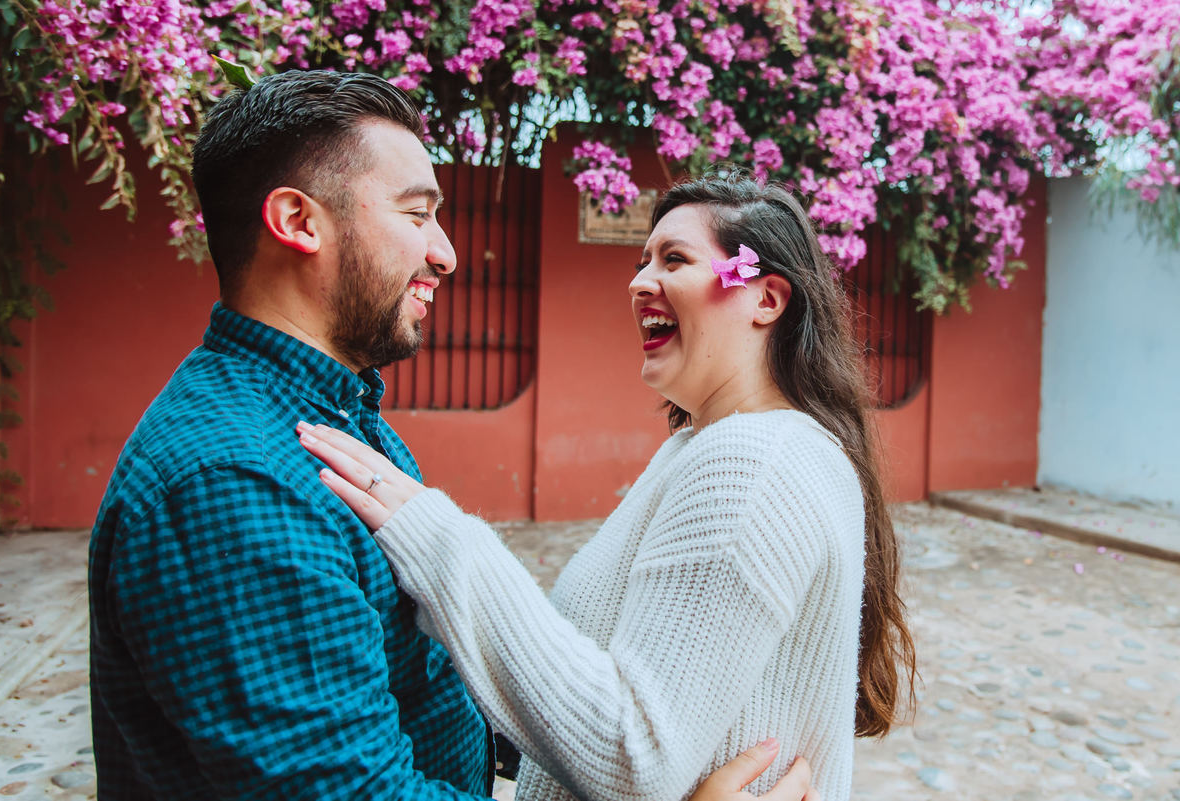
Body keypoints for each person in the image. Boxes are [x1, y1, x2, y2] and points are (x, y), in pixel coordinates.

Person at [89, 69, 816, 801]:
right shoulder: (235, 483)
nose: (446, 253)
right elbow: (355, 792)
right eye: (416, 215)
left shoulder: (334, 414)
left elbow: (412, 671)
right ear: (298, 221)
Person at [299, 173, 917, 801]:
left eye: (673, 259)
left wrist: (440, 539)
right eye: (642, 260)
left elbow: (633, 759)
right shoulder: (716, 445)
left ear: (766, 299)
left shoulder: (753, 464)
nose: (639, 282)